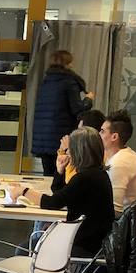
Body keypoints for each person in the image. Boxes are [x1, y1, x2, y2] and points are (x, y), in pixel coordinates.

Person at [18, 127, 114, 259]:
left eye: (70, 149)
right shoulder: (98, 174)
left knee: (23, 250)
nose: (68, 153)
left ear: (78, 152)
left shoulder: (84, 178)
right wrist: (60, 171)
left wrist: (23, 191)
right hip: (93, 243)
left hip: (81, 244)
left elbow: (52, 203)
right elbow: (61, 195)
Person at [31, 49, 93, 178]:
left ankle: (46, 197)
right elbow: (77, 109)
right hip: (61, 136)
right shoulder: (69, 81)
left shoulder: (46, 81)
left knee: (48, 174)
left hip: (42, 137)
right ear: (67, 63)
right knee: (62, 174)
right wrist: (89, 99)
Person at [99, 110, 136, 214]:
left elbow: (115, 211)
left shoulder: (120, 163)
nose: (99, 134)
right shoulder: (127, 153)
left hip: (125, 225)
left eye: (102, 131)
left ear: (114, 137)